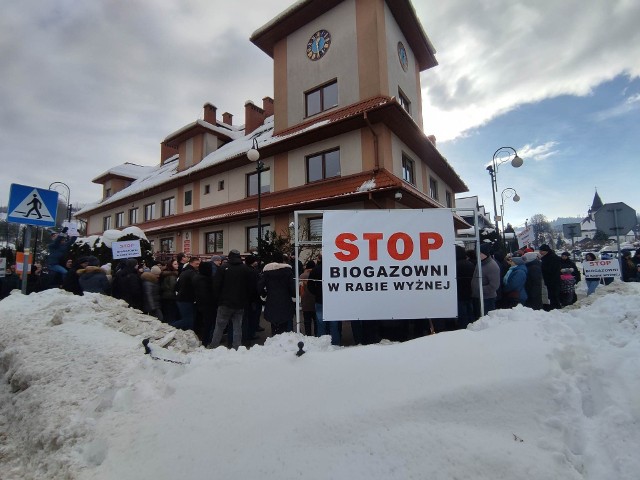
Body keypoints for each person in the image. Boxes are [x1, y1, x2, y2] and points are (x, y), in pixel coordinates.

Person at [209, 249, 255, 350]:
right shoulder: (245, 269)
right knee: (237, 327)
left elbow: (216, 286)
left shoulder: (223, 267)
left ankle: (213, 346)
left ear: (229, 257)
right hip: (240, 303)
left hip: (224, 303)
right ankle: (236, 348)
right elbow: (250, 287)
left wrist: (218, 300)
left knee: (219, 326)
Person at [258, 251, 296, 336]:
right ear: (282, 259)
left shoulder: (267, 271)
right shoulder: (287, 271)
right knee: (284, 323)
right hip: (285, 300)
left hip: (271, 299)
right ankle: (283, 340)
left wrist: (264, 294)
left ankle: (274, 338)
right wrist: (294, 296)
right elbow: (292, 287)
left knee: (274, 323)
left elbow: (260, 286)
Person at [307, 254, 342, 346]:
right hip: (333, 300)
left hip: (319, 300)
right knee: (334, 325)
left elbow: (309, 285)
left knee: (320, 324)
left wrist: (317, 293)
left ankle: (321, 345)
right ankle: (335, 344)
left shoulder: (315, 270)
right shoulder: (336, 269)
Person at [470, 243, 501, 318]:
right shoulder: (480, 263)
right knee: (478, 319)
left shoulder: (492, 266)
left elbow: (494, 286)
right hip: (478, 297)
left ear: (485, 254)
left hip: (487, 299)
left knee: (486, 320)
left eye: (480, 253)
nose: (477, 255)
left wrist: (480, 289)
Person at [172, 256, 200, 331]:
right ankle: (169, 327)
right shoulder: (192, 273)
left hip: (183, 299)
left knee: (188, 320)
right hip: (186, 299)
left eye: (199, 264)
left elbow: (177, 286)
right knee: (188, 320)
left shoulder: (184, 272)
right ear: (191, 263)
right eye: (196, 264)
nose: (198, 265)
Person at [193, 261, 216, 344]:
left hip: (200, 304)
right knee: (208, 324)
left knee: (201, 323)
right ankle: (207, 341)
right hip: (207, 305)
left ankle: (202, 339)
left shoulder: (197, 277)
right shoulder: (205, 280)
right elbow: (205, 294)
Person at [454, 245, 475, 329]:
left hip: (459, 293)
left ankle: (464, 330)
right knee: (470, 312)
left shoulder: (455, 265)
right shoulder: (470, 264)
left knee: (462, 315)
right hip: (469, 291)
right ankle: (472, 326)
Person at [538, 244, 562, 310]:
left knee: (554, 295)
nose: (540, 252)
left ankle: (556, 307)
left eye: (541, 251)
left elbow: (552, 269)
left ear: (546, 251)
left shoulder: (553, 258)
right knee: (551, 295)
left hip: (553, 279)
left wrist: (542, 267)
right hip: (549, 279)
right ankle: (554, 306)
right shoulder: (545, 257)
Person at [299, 260, 317, 336]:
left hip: (305, 301)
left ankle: (308, 335)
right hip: (315, 300)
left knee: (307, 321)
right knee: (316, 321)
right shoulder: (317, 274)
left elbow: (300, 289)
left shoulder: (302, 276)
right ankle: (317, 336)